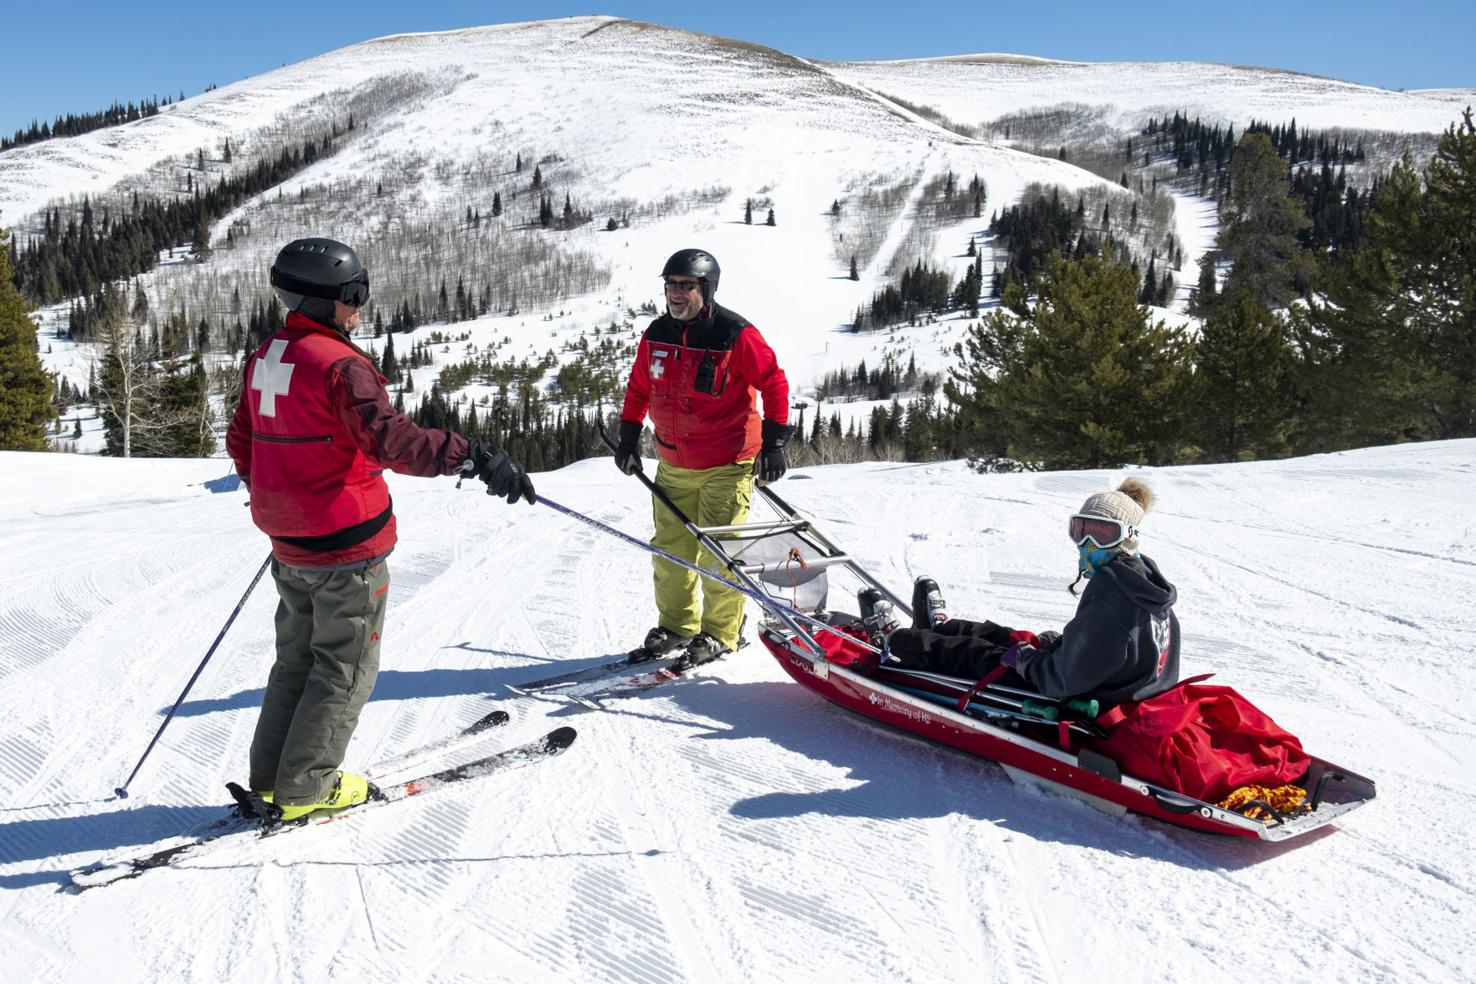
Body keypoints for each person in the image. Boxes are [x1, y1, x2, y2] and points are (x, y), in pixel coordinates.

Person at [225, 237, 535, 821]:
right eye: (354, 294)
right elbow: (393, 442)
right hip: (346, 544)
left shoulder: (270, 353)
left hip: (290, 543)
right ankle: (307, 789)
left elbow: (244, 439)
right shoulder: (341, 366)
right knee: (344, 670)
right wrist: (471, 453)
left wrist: (278, 492)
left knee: (297, 661)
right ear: (323, 299)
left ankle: (271, 781)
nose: (360, 307)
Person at [615, 248, 791, 670]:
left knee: (720, 553)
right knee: (670, 552)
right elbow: (639, 387)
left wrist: (774, 444)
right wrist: (628, 437)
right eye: (671, 285)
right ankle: (677, 626)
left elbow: (774, 382)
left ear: (706, 289)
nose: (676, 293)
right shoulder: (657, 334)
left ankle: (721, 632)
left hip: (727, 465)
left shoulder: (735, 334)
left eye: (686, 285)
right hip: (674, 464)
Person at [882, 478, 1179, 706]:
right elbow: (1115, 647)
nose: (1086, 543)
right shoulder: (1145, 582)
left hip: (1075, 694)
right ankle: (938, 628)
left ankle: (896, 642)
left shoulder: (1111, 589)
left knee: (975, 655)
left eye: (1103, 534)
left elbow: (1062, 680)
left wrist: (1029, 661)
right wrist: (1063, 645)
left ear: (1128, 537)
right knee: (1006, 636)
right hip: (1103, 683)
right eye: (1081, 529)